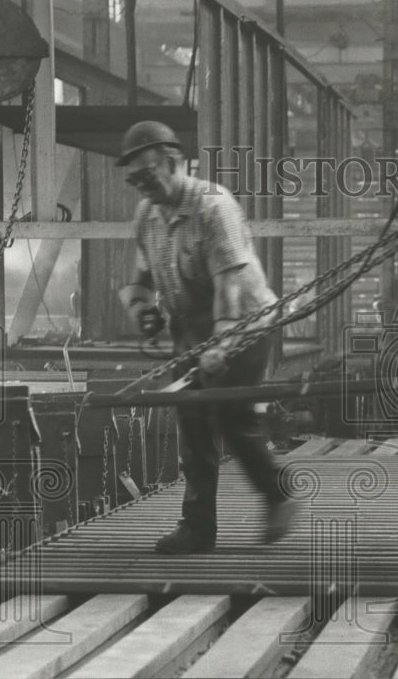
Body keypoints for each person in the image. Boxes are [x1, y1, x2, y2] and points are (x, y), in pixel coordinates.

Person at [116, 120, 299, 554]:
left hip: (244, 325)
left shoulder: (214, 206)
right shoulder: (148, 216)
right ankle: (198, 529)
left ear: (176, 163)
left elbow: (228, 290)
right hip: (193, 333)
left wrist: (221, 343)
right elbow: (139, 281)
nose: (143, 187)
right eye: (135, 181)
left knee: (232, 415)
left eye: (149, 176)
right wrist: (141, 310)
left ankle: (278, 497)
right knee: (193, 422)